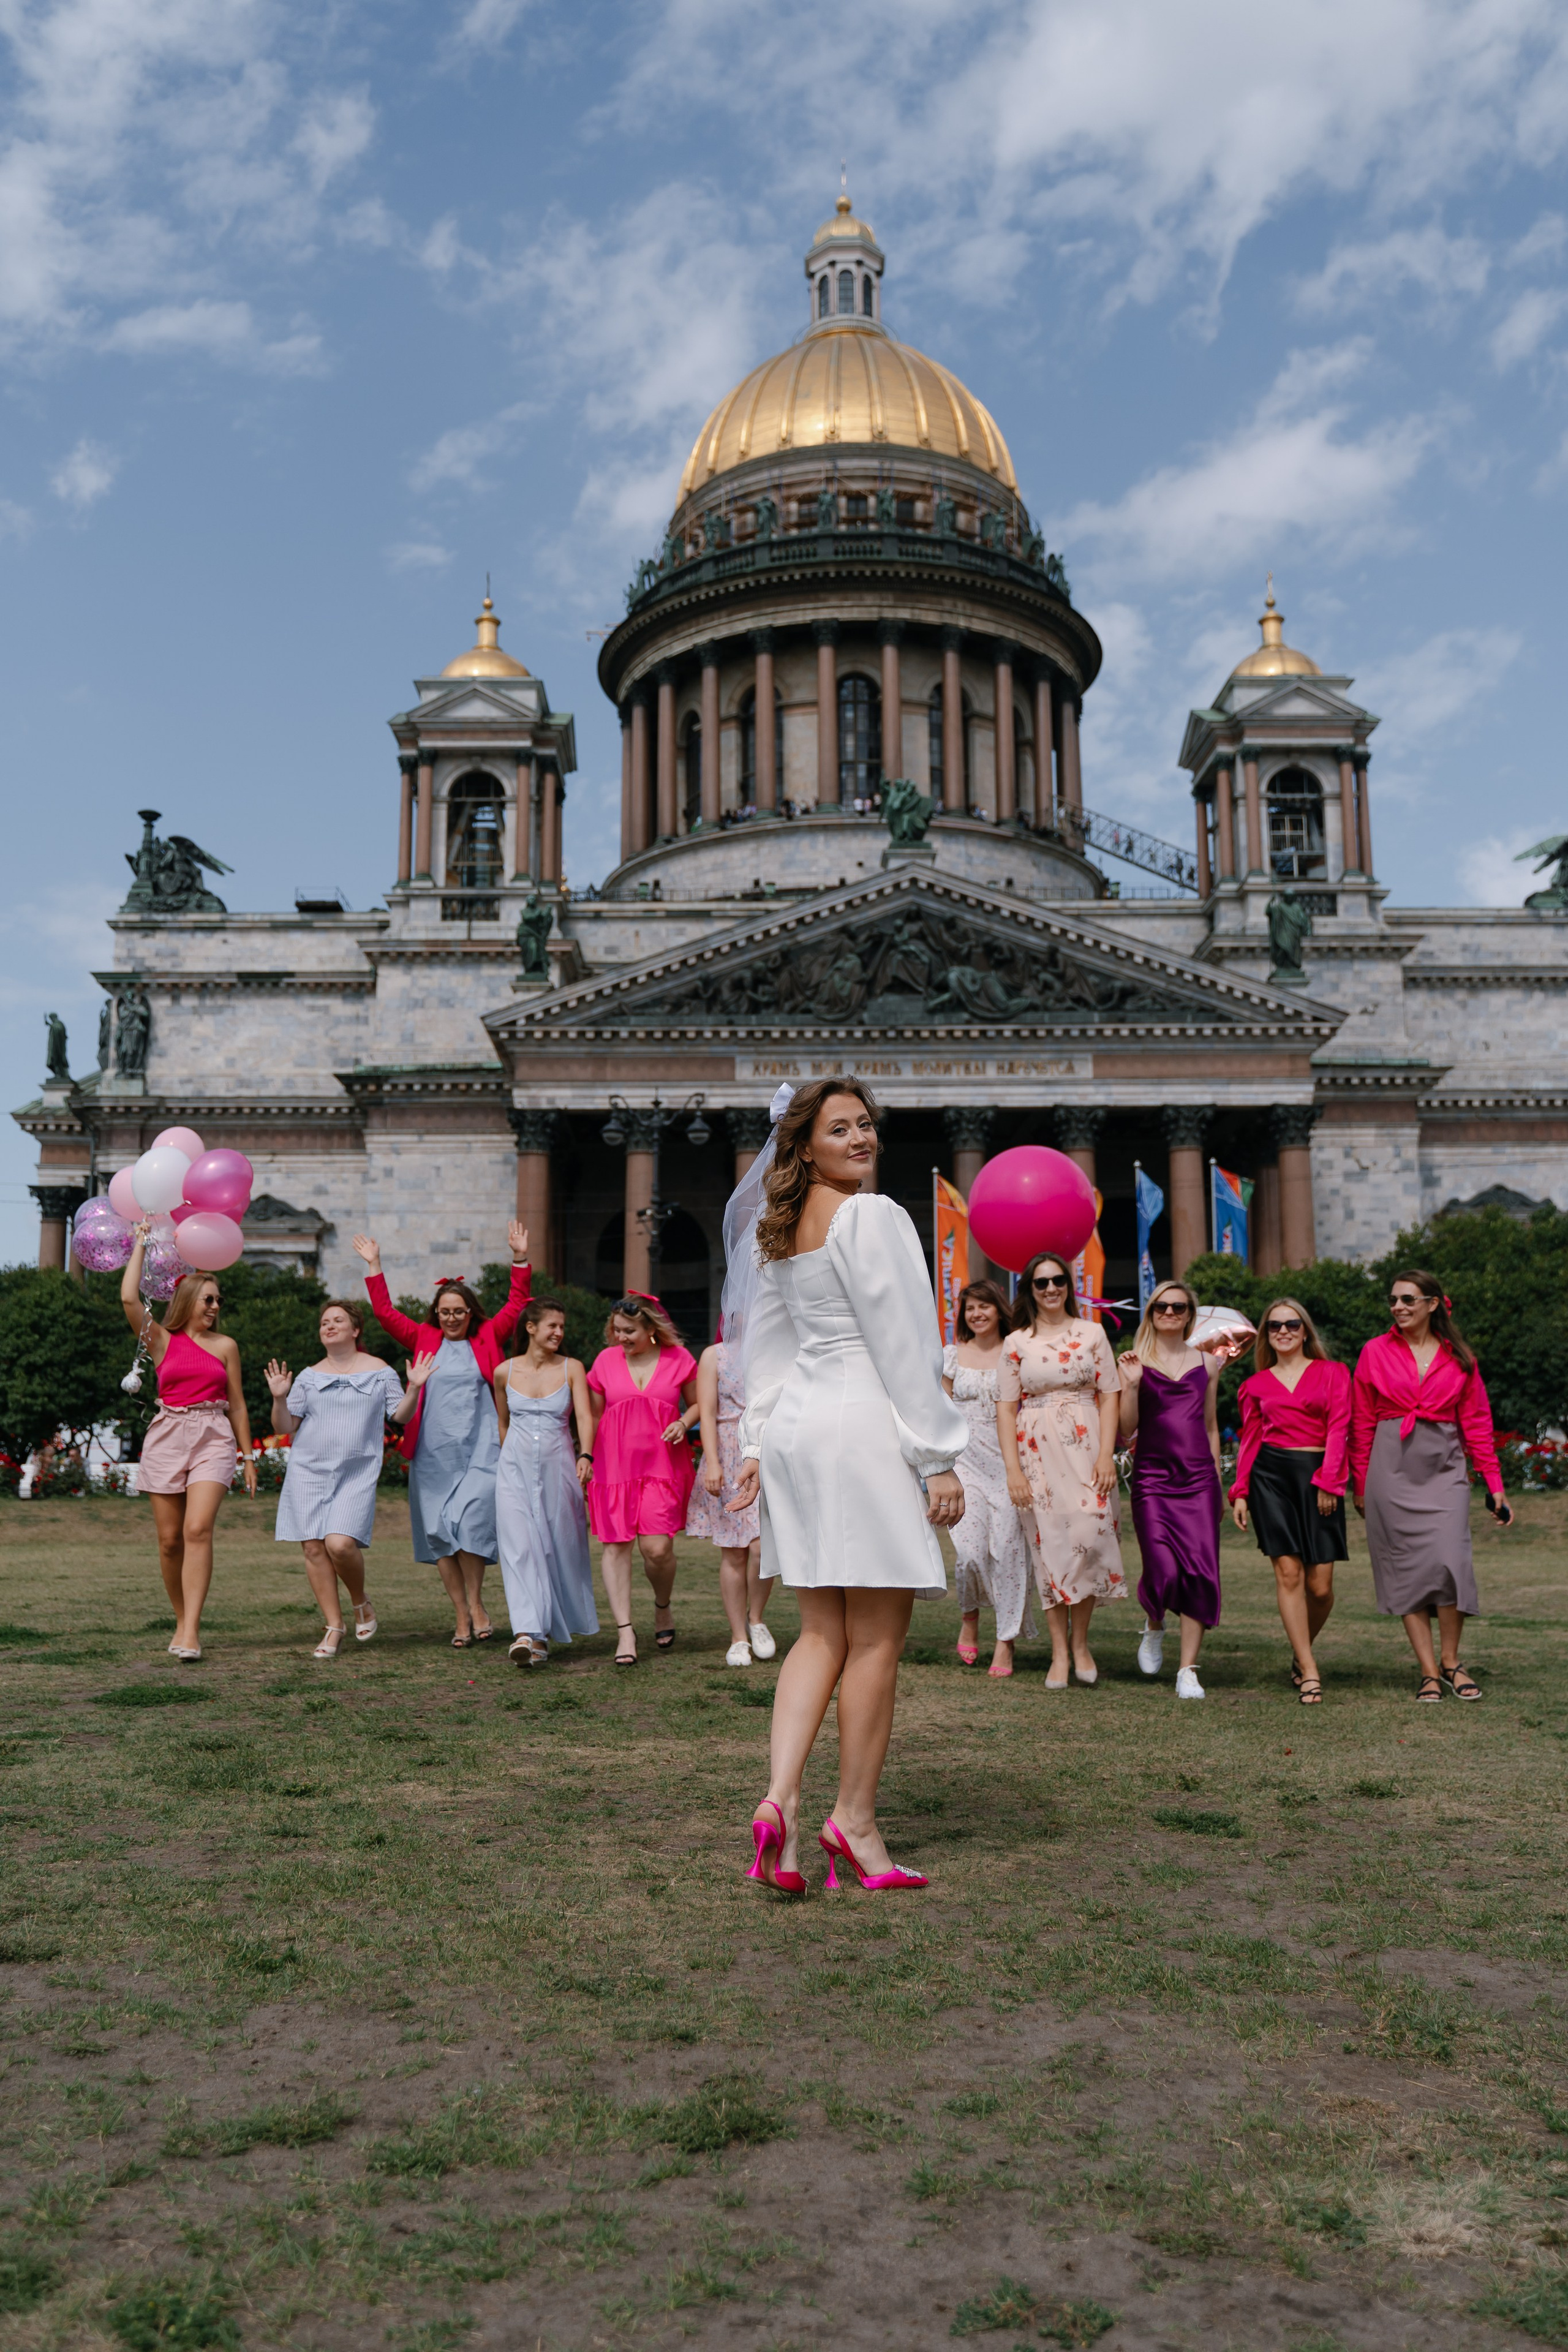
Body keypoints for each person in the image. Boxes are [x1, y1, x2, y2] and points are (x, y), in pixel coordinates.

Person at [728, 1078, 967, 1896]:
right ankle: (854, 1821)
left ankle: (779, 1804)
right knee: (874, 1641)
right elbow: (905, 1339)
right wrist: (936, 1454)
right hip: (862, 1422)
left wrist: (757, 1440)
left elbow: (764, 1349)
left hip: (799, 1428)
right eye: (840, 1129)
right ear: (804, 1146)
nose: (861, 1138)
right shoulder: (872, 1216)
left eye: (866, 1125)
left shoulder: (777, 1230)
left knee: (818, 1633)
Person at [355, 1224, 531, 1647]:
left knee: (471, 1522)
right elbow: (384, 1314)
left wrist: (520, 1259)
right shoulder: (423, 1337)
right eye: (445, 1312)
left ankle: (477, 1603)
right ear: (436, 1314)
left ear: (472, 1314)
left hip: (481, 1448)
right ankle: (461, 1614)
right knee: (438, 1532)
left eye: (459, 1312)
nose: (452, 1318)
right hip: (433, 1452)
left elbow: (518, 1304)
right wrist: (375, 1266)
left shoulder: (488, 1336)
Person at [1350, 1268, 1513, 1702]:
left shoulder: (1460, 1357)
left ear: (1432, 1304)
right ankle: (1427, 1671)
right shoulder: (1374, 1352)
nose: (1398, 1307)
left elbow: (1478, 1423)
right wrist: (1361, 1484)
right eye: (1393, 1301)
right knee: (1405, 1571)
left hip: (1444, 1469)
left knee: (1450, 1562)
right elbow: (1362, 1422)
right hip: (1390, 1467)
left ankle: (1452, 1661)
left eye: (1407, 1300)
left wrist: (1494, 1483)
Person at [120, 1226, 257, 1661]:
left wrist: (249, 1455)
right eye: (210, 1299)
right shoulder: (161, 1340)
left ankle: (192, 1629)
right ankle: (181, 1619)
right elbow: (128, 1298)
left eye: (219, 1300)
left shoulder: (226, 1346)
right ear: (189, 1301)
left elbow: (237, 1404)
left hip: (213, 1435)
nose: (217, 1306)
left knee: (197, 1529)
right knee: (169, 1541)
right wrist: (141, 1239)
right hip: (167, 1434)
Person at [265, 1300, 423, 1659]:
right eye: (324, 1322)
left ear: (355, 1330)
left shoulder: (379, 1372)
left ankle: (360, 1602)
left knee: (339, 1544)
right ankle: (333, 1626)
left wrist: (413, 1388)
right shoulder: (308, 1376)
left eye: (339, 1320)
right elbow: (285, 1427)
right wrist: (279, 1398)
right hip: (308, 1471)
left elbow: (400, 1416)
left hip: (356, 1473)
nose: (330, 1326)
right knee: (313, 1548)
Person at [996, 1254, 1123, 1688]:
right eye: (1041, 1282)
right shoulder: (1016, 1342)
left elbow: (1110, 1395)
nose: (1051, 1288)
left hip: (1088, 1446)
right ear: (1029, 1289)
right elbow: (1005, 1408)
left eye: (1058, 1280)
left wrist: (1107, 1455)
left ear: (1069, 1285)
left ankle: (1082, 1642)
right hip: (1036, 1452)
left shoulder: (1092, 1333)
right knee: (1048, 1548)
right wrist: (1013, 1470)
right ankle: (1059, 1653)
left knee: (1087, 1539)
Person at [1229, 1298, 1351, 1706]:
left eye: (1292, 1324)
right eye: (1274, 1325)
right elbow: (1250, 1441)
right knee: (1289, 1574)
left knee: (1320, 1588)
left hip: (1320, 1475)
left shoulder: (1334, 1373)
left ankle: (1302, 1653)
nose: (1283, 1331)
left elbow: (1339, 1427)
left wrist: (1330, 1482)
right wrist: (1241, 1491)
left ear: (1305, 1331)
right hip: (1271, 1479)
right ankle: (1308, 1667)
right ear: (1266, 1335)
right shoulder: (1255, 1385)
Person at [1119, 1279, 1223, 1700]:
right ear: (1151, 1312)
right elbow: (1127, 1429)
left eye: (1178, 1307)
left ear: (1189, 1315)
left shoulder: (1209, 1364)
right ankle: (1155, 1623)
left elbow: (1211, 1426)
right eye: (1162, 1307)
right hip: (1153, 1479)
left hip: (1199, 1479)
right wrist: (1129, 1385)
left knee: (1199, 1570)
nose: (1170, 1313)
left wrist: (1217, 1478)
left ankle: (1188, 1670)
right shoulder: (1135, 1361)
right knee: (1163, 1567)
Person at [586, 1295, 699, 1665]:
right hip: (613, 1467)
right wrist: (586, 1456)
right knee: (616, 1547)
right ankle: (625, 1633)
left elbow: (698, 1404)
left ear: (651, 1328)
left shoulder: (680, 1360)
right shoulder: (604, 1362)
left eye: (629, 1331)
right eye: (617, 1330)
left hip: (662, 1467)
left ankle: (662, 1606)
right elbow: (593, 1416)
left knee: (657, 1550)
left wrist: (684, 1422)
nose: (621, 1337)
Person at [493, 1297, 599, 1667]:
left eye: (562, 1327)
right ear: (531, 1328)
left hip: (560, 1467)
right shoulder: (503, 1372)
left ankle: (544, 1632)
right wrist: (510, 1460)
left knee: (556, 1548)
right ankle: (528, 1633)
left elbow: (585, 1417)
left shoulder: (572, 1368)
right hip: (513, 1471)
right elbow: (502, 1422)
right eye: (552, 1325)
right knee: (519, 1548)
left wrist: (585, 1455)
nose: (559, 1332)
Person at [943, 1279, 1038, 1676]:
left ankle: (1005, 1641)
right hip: (964, 1465)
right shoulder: (950, 1355)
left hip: (1010, 1465)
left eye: (985, 1306)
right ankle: (970, 1615)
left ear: (1000, 1309)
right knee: (969, 1553)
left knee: (1010, 1554)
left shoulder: (1017, 1353)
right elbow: (940, 1413)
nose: (977, 1314)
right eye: (970, 1308)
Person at [687, 1333, 776, 1667]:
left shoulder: (772, 1348)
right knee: (734, 1551)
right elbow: (707, 1413)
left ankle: (757, 1619)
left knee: (761, 1547)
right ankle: (738, 1636)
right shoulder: (714, 1355)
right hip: (726, 1451)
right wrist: (712, 1462)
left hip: (766, 1451)